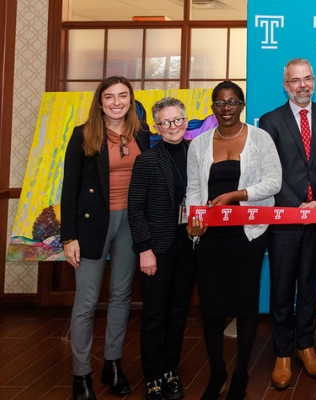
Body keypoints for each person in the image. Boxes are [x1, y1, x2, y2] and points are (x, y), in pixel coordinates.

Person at [185, 81, 281, 400]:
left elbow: (273, 182)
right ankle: (216, 371)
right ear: (212, 107)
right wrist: (193, 223)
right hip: (210, 238)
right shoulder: (198, 145)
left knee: (245, 305)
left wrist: (236, 196)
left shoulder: (260, 138)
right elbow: (193, 191)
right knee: (211, 307)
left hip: (248, 234)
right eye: (219, 103)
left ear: (242, 105)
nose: (226, 108)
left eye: (232, 102)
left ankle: (240, 373)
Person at [61, 76, 150, 400]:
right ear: (100, 102)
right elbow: (69, 188)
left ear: (130, 100)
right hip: (92, 226)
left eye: (123, 96)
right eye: (109, 97)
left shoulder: (142, 133)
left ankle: (112, 364)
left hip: (131, 222)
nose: (116, 102)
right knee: (86, 302)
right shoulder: (83, 135)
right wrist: (68, 236)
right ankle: (80, 375)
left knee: (122, 295)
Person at [257, 58, 316, 387]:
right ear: (285, 85)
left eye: (307, 79)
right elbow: (269, 172)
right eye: (295, 81)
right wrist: (297, 207)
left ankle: (305, 345)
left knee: (309, 287)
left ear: (315, 81)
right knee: (281, 289)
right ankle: (282, 352)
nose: (302, 85)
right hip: (284, 218)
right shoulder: (270, 121)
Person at [128, 97, 195, 400]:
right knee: (155, 314)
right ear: (157, 127)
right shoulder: (147, 160)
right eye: (166, 122)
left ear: (186, 120)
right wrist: (144, 250)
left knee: (179, 311)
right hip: (157, 247)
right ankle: (153, 375)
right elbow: (135, 209)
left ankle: (170, 369)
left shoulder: (197, 154)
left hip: (190, 245)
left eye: (178, 120)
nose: (173, 127)